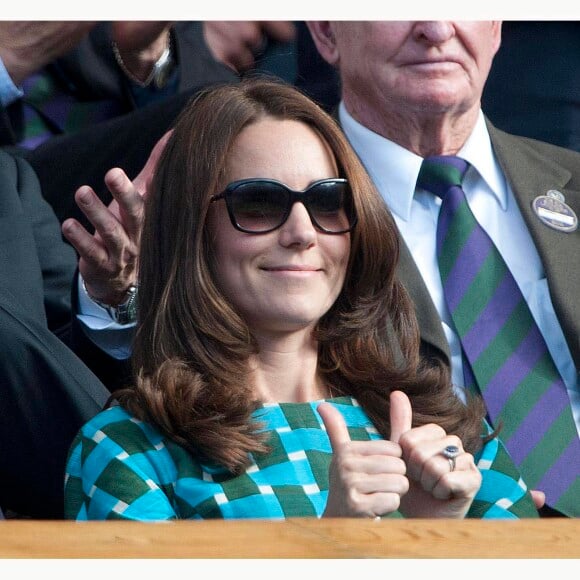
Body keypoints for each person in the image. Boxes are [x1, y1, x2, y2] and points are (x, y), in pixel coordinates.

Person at [64, 78, 538, 521]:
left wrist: (440, 536)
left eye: (328, 201)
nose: (302, 232)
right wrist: (332, 544)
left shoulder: (444, 427)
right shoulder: (126, 449)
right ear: (191, 230)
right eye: (258, 203)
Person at [305, 21, 579, 517]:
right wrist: (121, 296)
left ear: (496, 25)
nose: (435, 27)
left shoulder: (571, 181)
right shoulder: (275, 210)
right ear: (325, 30)